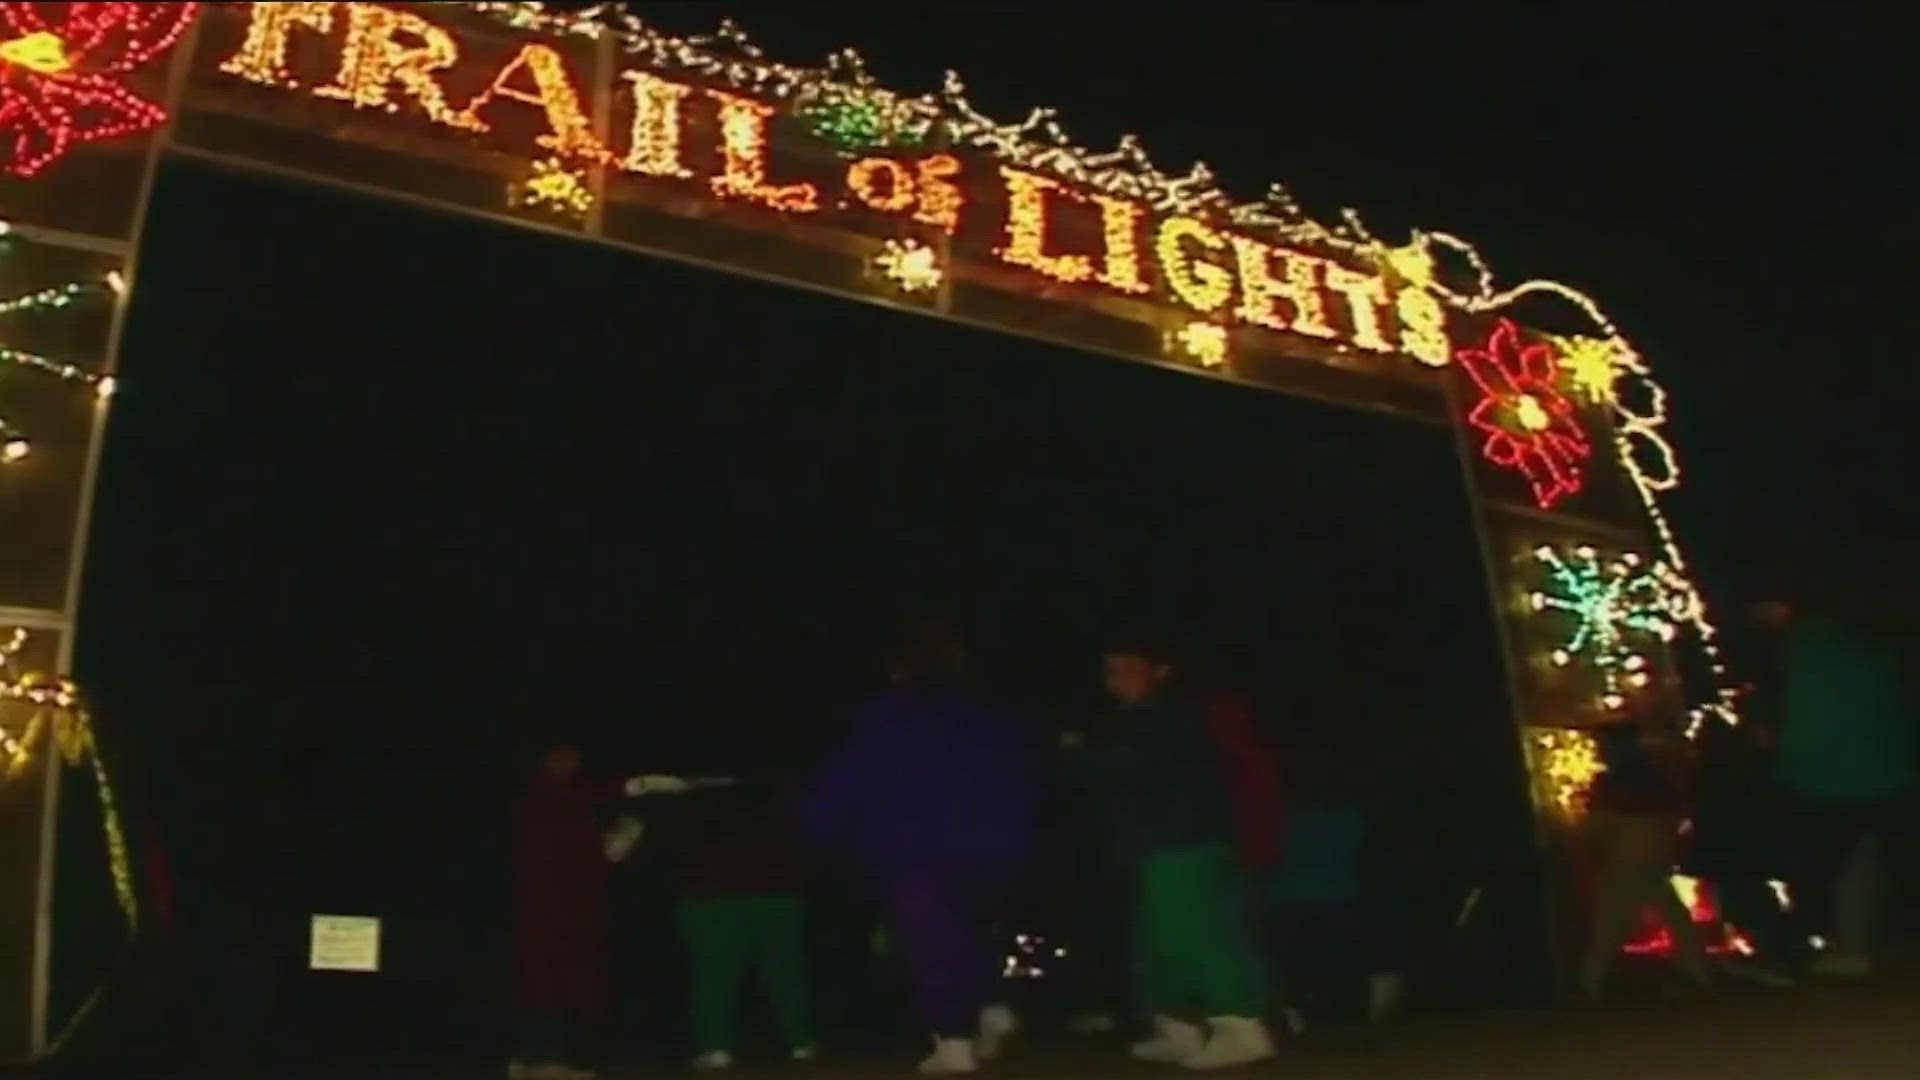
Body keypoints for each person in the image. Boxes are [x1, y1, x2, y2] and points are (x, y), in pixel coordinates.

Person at [803, 621, 1040, 1075]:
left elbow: (853, 774)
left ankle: (953, 1038)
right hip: (990, 845)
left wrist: (819, 824)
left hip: (914, 844)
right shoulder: (986, 714)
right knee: (971, 931)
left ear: (901, 669)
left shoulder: (889, 713)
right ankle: (988, 1005)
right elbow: (1021, 775)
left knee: (931, 941)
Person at [1068, 638, 1275, 1069]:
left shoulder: (1167, 716)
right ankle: (1179, 1028)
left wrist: (1083, 753)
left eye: (1128, 667)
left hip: (1180, 839)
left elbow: (1131, 774)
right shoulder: (1137, 719)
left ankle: (1239, 1024)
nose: (1116, 679)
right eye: (1110, 669)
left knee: (1191, 931)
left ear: (1159, 670)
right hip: (1160, 841)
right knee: (1155, 938)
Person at [511, 743, 685, 1080]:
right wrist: (638, 785)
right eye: (559, 756)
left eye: (573, 757)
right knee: (546, 981)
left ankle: (546, 1058)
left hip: (576, 909)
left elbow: (589, 855)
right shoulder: (539, 796)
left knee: (573, 982)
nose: (569, 763)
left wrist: (614, 846)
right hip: (545, 911)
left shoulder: (573, 807)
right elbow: (559, 838)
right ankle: (538, 1059)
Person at [1763, 596, 1916, 976]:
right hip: (1887, 768)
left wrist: (1781, 753)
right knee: (1870, 861)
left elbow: (1811, 722)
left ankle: (1792, 951)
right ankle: (1852, 945)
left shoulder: (1809, 650)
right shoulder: (1868, 642)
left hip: (1830, 780)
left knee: (1817, 866)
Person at [652, 778, 816, 1071]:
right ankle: (801, 1042)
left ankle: (717, 1047)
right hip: (773, 889)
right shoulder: (777, 787)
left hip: (709, 891)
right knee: (784, 970)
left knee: (715, 974)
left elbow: (664, 843)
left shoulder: (682, 793)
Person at [1576, 722, 1712, 999]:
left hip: (1627, 859)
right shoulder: (1655, 777)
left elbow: (1600, 825)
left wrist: (1593, 848)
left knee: (1610, 921)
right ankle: (1700, 973)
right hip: (1655, 857)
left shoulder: (1611, 783)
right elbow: (1675, 817)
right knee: (1674, 916)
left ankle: (1590, 983)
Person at [1687, 712, 1796, 987]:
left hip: (1731, 852)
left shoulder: (1709, 773)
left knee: (1745, 902)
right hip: (1750, 849)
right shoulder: (1751, 765)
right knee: (1751, 899)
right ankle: (1772, 954)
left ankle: (1768, 958)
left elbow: (1705, 815)